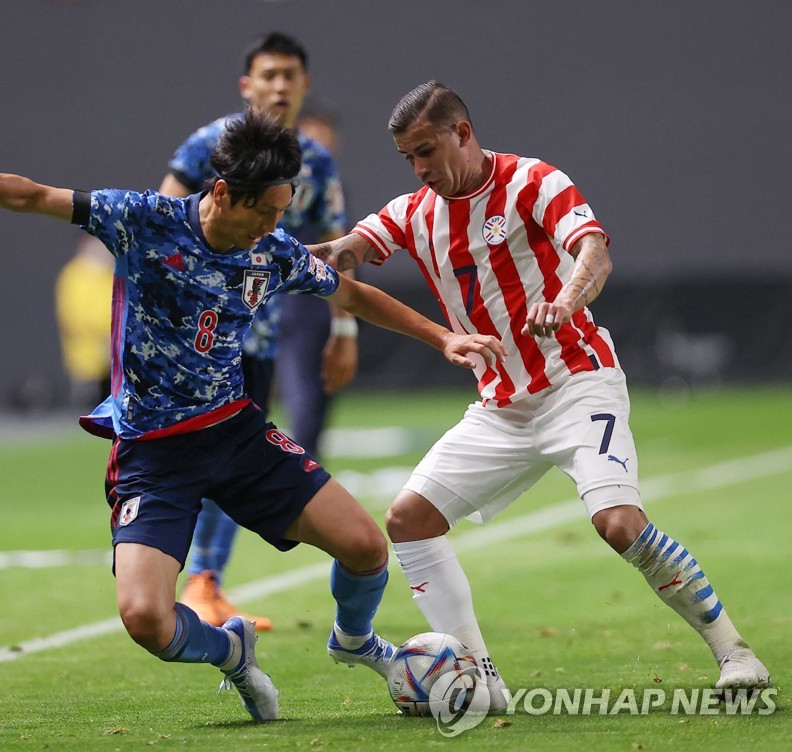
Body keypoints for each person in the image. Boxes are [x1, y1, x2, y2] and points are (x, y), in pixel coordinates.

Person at [0, 109, 502, 721]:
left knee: (367, 548)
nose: (273, 227)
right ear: (222, 193)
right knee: (146, 620)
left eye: (283, 212)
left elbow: (352, 293)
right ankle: (230, 650)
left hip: (237, 435)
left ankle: (357, 641)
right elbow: (40, 198)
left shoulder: (272, 252)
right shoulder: (144, 219)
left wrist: (443, 338)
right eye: (264, 211)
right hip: (153, 454)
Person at [310, 81, 772, 706]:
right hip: (502, 407)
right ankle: (481, 683)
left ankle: (735, 654)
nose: (420, 168)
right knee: (408, 520)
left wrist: (566, 298)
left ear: (462, 133)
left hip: (579, 385)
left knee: (618, 523)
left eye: (426, 150)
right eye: (407, 158)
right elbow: (348, 250)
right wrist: (304, 255)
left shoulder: (533, 182)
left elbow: (594, 252)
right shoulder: (415, 210)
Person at [159, 32, 355, 632]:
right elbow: (161, 218)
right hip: (198, 337)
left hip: (260, 336)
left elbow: (337, 250)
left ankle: (204, 582)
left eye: (289, 75)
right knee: (198, 453)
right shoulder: (209, 145)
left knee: (231, 453)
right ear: (247, 85)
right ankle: (190, 579)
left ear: (304, 85)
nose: (278, 86)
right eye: (267, 75)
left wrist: (344, 327)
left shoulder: (316, 163)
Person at [277, 97, 348, 457]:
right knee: (303, 393)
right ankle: (302, 475)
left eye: (328, 133)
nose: (324, 141)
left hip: (327, 303)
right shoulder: (287, 187)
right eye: (315, 133)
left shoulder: (328, 183)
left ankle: (311, 468)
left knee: (321, 395)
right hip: (295, 303)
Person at [55, 233, 115, 406]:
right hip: (89, 357)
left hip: (116, 356)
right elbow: (76, 316)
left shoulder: (111, 273)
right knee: (89, 406)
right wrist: (106, 334)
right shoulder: (75, 275)